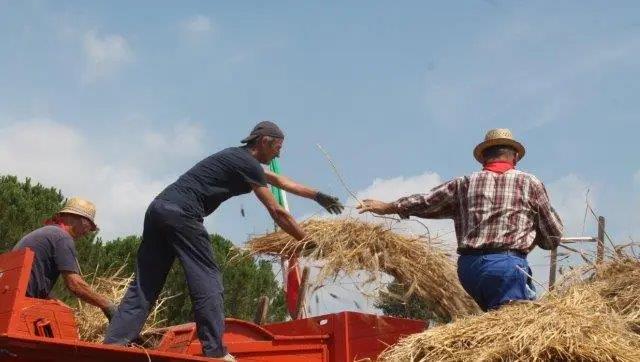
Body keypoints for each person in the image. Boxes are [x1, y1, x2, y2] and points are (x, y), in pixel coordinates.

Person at [104, 121, 344, 360]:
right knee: (207, 278)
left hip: (158, 208)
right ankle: (215, 351)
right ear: (264, 142)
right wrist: (307, 241)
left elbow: (280, 181)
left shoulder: (239, 158)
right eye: (278, 147)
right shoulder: (247, 163)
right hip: (183, 214)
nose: (279, 154)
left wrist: (317, 196)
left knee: (145, 283)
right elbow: (277, 211)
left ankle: (114, 343)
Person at [358, 128, 563, 312]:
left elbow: (426, 201)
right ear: (515, 157)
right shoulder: (529, 182)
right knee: (518, 324)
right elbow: (553, 235)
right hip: (506, 266)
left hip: (470, 270)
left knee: (494, 317)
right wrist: (535, 236)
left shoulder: (463, 184)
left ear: (483, 159)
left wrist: (388, 207)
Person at [14, 197, 117, 320]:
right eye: (89, 225)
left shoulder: (47, 233)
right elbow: (75, 284)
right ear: (79, 219)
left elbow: (33, 280)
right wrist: (107, 305)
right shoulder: (62, 237)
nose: (87, 232)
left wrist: (56, 302)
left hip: (11, 298)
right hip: (22, 306)